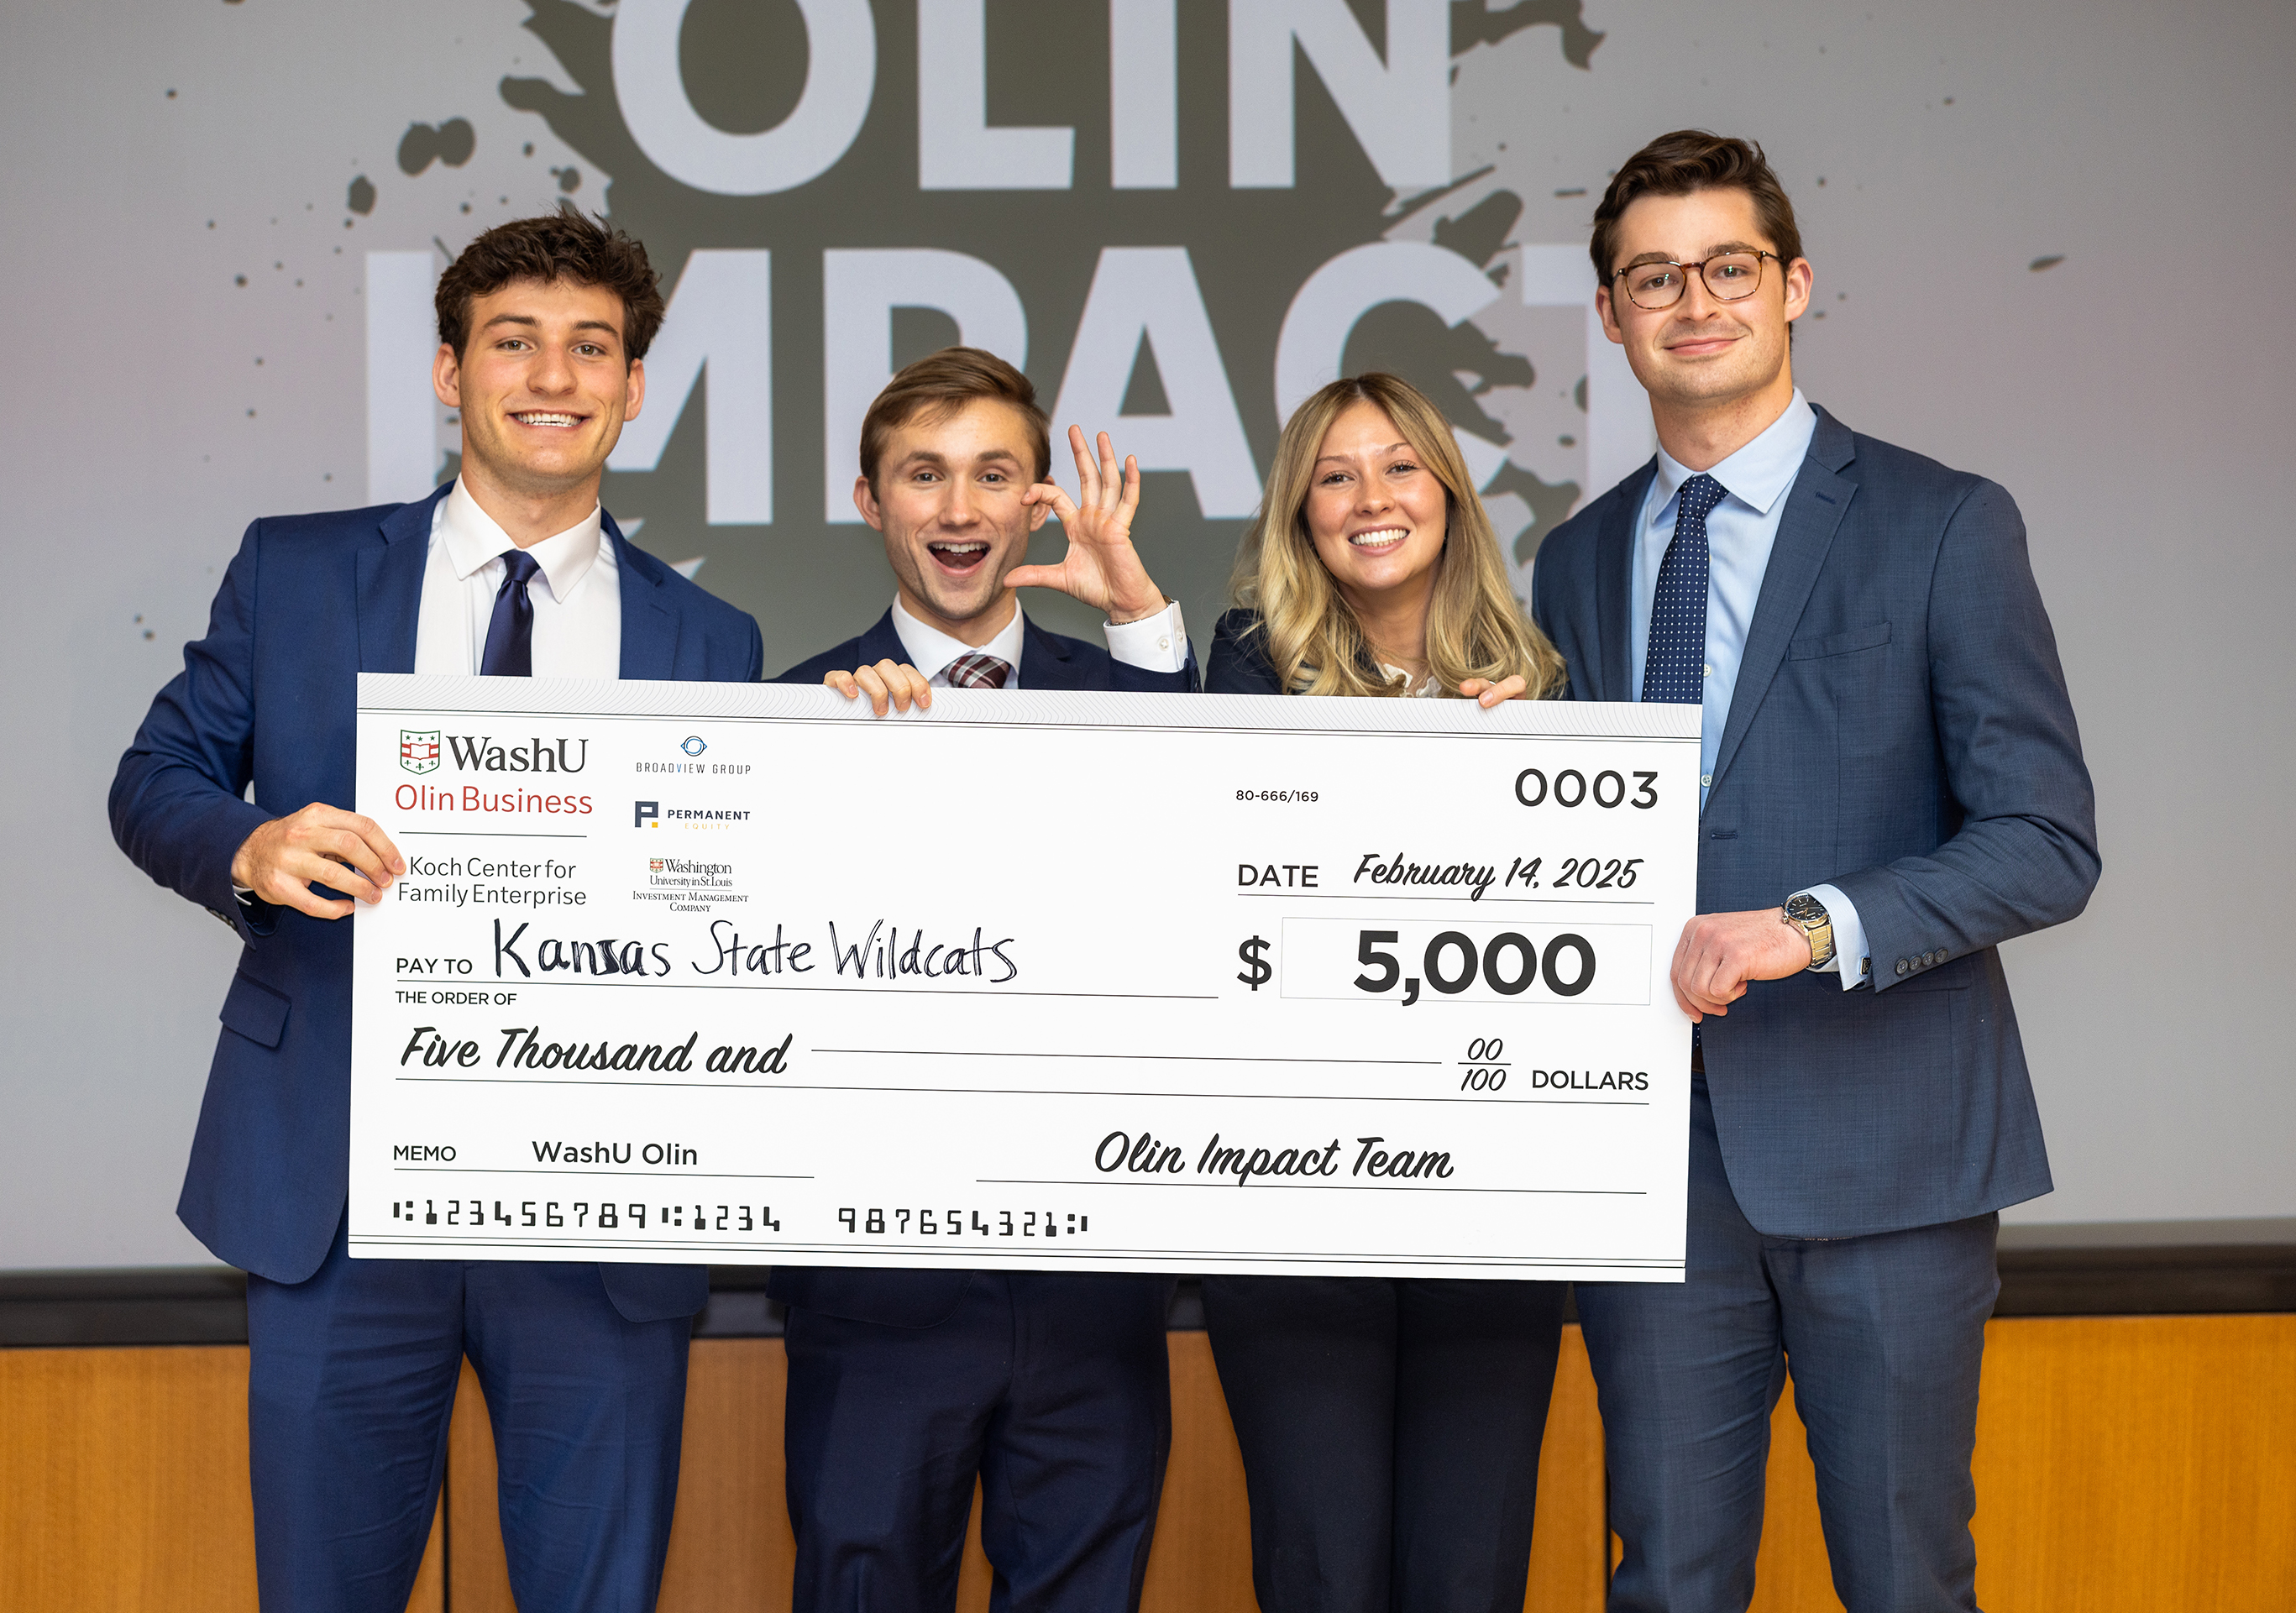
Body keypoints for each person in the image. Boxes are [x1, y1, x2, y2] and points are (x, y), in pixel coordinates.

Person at [107, 212, 761, 1613]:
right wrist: (252, 842)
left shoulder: (711, 640)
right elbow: (153, 779)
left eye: (591, 348)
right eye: (514, 342)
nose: (554, 376)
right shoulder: (296, 571)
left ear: (635, 386)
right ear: (450, 372)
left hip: (600, 1203)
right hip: (339, 1192)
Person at [1531, 131, 2099, 1612]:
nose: (1694, 302)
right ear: (1611, 313)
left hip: (1890, 1147)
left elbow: (2046, 839)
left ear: (1793, 286)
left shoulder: (1942, 522)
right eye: (1655, 277)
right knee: (1666, 1580)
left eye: (1727, 267)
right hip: (1654, 1161)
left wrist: (1812, 925)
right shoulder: (1575, 560)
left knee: (1905, 1580)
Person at [767, 346, 1195, 1613]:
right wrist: (837, 768)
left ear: (1036, 503)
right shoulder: (787, 715)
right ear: (870, 500)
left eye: (993, 474)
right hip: (875, 1295)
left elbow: (1200, 848)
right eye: (924, 474)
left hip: (1094, 1295)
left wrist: (1137, 611)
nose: (959, 508)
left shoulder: (1132, 686)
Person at [1200, 372, 1572, 1613]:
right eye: (1336, 476)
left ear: (1449, 492)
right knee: (1324, 1567)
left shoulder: (1548, 686)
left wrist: (1533, 771)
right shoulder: (1250, 665)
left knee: (1470, 1571)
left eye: (1400, 466)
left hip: (1490, 1213)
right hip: (1297, 1211)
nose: (1372, 498)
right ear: (1300, 513)